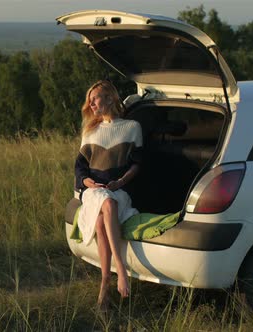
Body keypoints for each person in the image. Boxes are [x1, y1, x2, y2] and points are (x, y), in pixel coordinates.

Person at [74, 80, 143, 309]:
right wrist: (87, 182)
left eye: (95, 98)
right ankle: (121, 272)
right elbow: (80, 168)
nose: (91, 104)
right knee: (107, 204)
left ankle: (104, 283)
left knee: (105, 218)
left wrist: (121, 181)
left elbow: (137, 164)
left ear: (111, 98)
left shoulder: (132, 127)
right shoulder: (90, 131)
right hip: (93, 191)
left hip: (119, 189)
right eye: (90, 100)